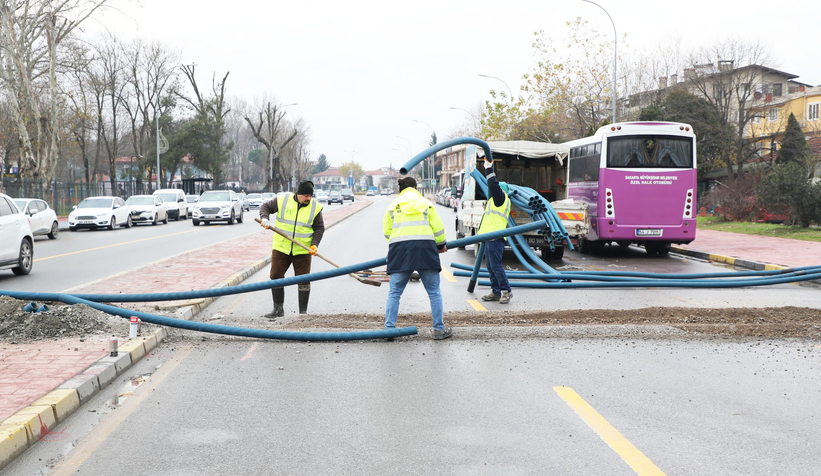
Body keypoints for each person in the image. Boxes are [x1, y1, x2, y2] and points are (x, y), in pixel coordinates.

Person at [383, 176, 452, 340]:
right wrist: (440, 245)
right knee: (434, 292)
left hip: (400, 251)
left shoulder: (393, 206)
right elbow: (438, 228)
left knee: (394, 293)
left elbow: (387, 232)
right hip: (425, 250)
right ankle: (438, 330)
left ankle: (389, 330)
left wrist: (400, 241)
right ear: (415, 187)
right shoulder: (426, 204)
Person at [259, 180, 324, 318]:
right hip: (281, 247)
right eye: (306, 195)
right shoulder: (283, 200)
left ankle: (303, 313)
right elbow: (265, 207)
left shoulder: (315, 208)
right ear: (298, 194)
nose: (308, 198)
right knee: (276, 276)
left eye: (310, 195)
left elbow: (319, 228)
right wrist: (264, 218)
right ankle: (278, 310)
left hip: (303, 250)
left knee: (303, 280)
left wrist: (315, 244)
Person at [478, 157, 513, 304]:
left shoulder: (501, 199)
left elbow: (493, 184)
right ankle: (496, 291)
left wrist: (488, 169)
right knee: (491, 266)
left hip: (495, 237)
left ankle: (506, 291)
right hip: (489, 237)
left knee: (496, 266)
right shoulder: (493, 201)